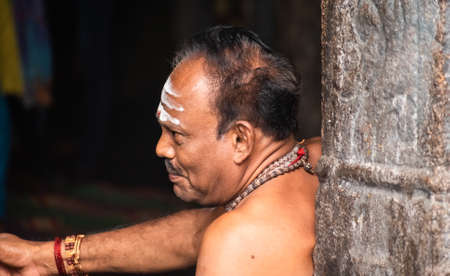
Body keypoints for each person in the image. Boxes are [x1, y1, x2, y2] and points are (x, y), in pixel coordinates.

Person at [0, 26, 321, 275]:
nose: (160, 148)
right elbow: (198, 230)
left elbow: (228, 233)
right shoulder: (317, 159)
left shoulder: (234, 243)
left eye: (177, 135)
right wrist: (46, 258)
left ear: (240, 140)